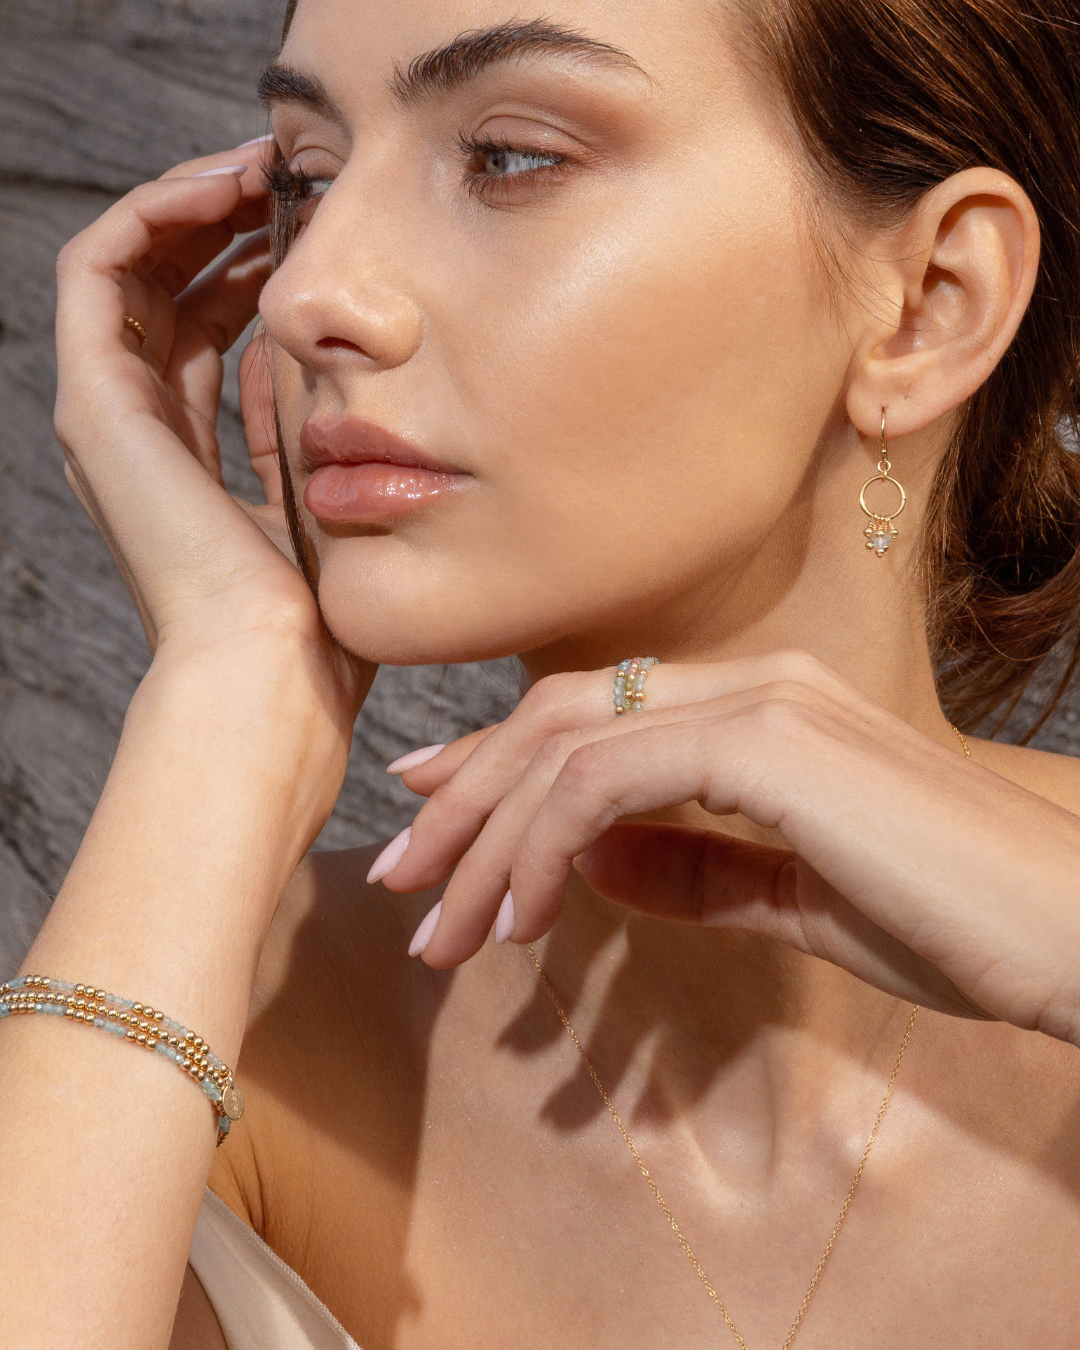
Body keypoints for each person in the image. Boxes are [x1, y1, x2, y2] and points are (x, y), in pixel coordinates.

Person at [4, 0, 1080, 1345]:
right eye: (306, 179)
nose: (307, 289)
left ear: (926, 305)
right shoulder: (213, 1028)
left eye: (509, 156)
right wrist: (228, 694)